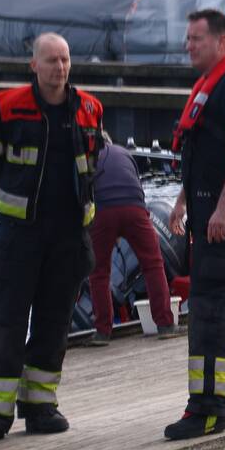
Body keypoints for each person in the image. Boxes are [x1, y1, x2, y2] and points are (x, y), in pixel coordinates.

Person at [0, 32, 104, 446]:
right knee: (7, 326)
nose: (59, 68)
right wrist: (7, 209)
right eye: (51, 61)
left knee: (53, 326)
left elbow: (93, 163)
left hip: (68, 237)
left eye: (64, 60)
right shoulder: (8, 107)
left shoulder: (90, 108)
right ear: (34, 66)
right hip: (20, 237)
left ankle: (40, 406)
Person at [163, 9, 225, 440]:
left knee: (206, 308)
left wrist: (223, 207)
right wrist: (183, 201)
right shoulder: (211, 85)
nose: (189, 45)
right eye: (187, 39)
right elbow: (201, 155)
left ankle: (206, 408)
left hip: (223, 218)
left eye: (197, 39)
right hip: (204, 210)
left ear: (222, 42)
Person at [86, 133, 182, 346]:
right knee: (153, 265)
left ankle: (102, 331)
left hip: (104, 211)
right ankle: (165, 325)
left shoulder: (87, 158)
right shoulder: (124, 153)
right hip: (135, 209)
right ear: (111, 141)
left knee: (99, 272)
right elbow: (136, 187)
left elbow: (84, 193)